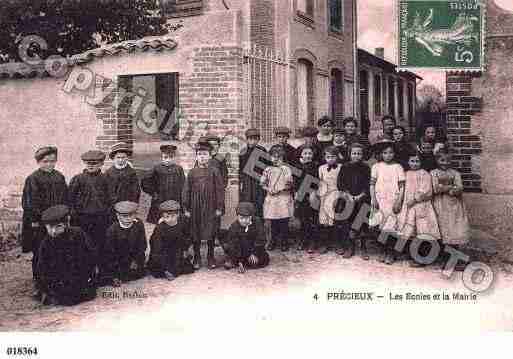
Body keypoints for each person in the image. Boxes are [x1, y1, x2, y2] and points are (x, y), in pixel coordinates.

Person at [21, 146, 68, 290]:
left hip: (58, 221)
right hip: (40, 223)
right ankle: (39, 281)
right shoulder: (33, 179)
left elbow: (65, 198)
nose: (49, 164)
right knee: (40, 250)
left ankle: (56, 278)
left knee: (58, 249)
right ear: (39, 162)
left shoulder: (59, 177)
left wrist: (64, 216)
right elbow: (29, 203)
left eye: (52, 161)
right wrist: (37, 220)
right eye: (45, 161)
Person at [37, 205, 97, 306]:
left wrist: (89, 277)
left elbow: (91, 256)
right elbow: (42, 269)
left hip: (80, 280)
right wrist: (48, 289)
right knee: (63, 299)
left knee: (84, 295)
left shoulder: (78, 234)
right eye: (49, 227)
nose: (53, 231)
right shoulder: (46, 243)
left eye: (58, 227)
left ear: (66, 224)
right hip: (59, 284)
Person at [182, 141, 225, 270]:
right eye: (199, 154)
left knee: (211, 230)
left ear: (210, 156)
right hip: (195, 207)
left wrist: (219, 207)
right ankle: (197, 256)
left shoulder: (215, 171)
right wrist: (186, 208)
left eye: (205, 154)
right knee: (196, 231)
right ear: (196, 157)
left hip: (211, 206)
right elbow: (186, 191)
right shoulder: (192, 172)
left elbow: (220, 190)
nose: (202, 157)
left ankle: (211, 256)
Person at [68, 150, 111, 275]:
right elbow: (70, 198)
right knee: (83, 245)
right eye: (88, 163)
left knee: (101, 245)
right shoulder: (78, 179)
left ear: (101, 164)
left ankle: (102, 273)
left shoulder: (106, 179)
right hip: (82, 219)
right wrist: (73, 214)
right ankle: (85, 272)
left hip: (100, 218)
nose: (91, 165)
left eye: (94, 163)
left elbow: (111, 198)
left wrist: (107, 212)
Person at [397, 150, 441, 267]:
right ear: (408, 162)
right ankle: (411, 254)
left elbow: (426, 191)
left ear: (421, 162)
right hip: (409, 207)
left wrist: (415, 199)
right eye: (412, 161)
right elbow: (402, 189)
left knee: (423, 231)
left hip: (421, 206)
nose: (414, 163)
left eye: (417, 161)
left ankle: (423, 257)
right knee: (410, 230)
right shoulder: (406, 174)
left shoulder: (425, 174)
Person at [431, 151, 470, 271]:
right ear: (437, 160)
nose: (445, 163)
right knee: (444, 230)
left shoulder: (455, 173)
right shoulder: (433, 173)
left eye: (447, 160)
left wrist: (448, 189)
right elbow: (436, 189)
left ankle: (456, 259)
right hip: (440, 204)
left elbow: (459, 188)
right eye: (442, 160)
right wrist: (450, 188)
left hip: (454, 206)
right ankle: (447, 259)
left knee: (455, 230)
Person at [370, 141, 405, 264]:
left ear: (394, 154)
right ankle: (383, 250)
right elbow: (372, 185)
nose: (388, 155)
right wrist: (373, 199)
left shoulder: (398, 167)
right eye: (385, 153)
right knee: (380, 225)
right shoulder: (376, 167)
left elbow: (401, 186)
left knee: (391, 226)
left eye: (390, 152)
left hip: (392, 200)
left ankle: (391, 252)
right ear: (381, 154)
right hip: (380, 199)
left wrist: (399, 201)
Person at [337, 143, 371, 259]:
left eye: (359, 153)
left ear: (362, 155)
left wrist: (361, 195)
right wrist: (348, 195)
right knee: (348, 223)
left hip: (363, 199)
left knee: (361, 223)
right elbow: (340, 183)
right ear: (350, 154)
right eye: (354, 153)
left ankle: (363, 247)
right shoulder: (345, 167)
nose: (356, 156)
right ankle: (350, 246)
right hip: (348, 199)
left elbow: (368, 184)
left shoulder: (366, 167)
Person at [103, 201, 147, 287]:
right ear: (118, 216)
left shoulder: (139, 224)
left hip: (133, 259)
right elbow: (109, 253)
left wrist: (136, 260)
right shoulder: (112, 230)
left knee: (139, 273)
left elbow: (142, 244)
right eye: (124, 216)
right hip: (118, 260)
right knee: (116, 275)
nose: (128, 219)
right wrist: (114, 274)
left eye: (131, 215)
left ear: (135, 215)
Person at [147, 200, 194, 281]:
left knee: (188, 268)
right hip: (163, 253)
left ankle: (173, 269)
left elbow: (187, 237)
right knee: (160, 269)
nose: (170, 220)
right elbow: (156, 248)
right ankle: (166, 271)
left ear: (178, 215)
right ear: (162, 217)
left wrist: (186, 249)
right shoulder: (159, 228)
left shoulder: (182, 223)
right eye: (166, 217)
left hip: (177, 251)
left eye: (173, 216)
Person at [261, 145, 294, 252]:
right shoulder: (268, 169)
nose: (276, 159)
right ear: (270, 157)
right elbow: (262, 183)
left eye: (279, 157)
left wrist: (280, 190)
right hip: (272, 198)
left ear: (283, 158)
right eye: (274, 157)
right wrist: (268, 189)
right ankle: (273, 241)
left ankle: (284, 241)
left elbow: (289, 184)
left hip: (283, 198)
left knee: (284, 221)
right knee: (273, 222)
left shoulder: (286, 169)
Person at [141, 144, 185, 224]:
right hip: (161, 198)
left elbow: (183, 184)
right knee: (160, 220)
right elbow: (146, 181)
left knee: (175, 219)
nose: (168, 160)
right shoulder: (157, 168)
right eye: (165, 157)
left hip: (174, 197)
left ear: (174, 157)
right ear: (162, 157)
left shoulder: (179, 169)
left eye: (171, 157)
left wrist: (181, 196)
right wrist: (153, 193)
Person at [222, 202, 270, 273]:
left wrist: (254, 253)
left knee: (259, 260)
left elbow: (261, 239)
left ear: (251, 217)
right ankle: (236, 261)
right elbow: (233, 243)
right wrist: (238, 257)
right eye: (241, 218)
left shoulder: (257, 223)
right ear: (237, 217)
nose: (244, 221)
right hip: (240, 250)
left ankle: (242, 263)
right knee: (229, 246)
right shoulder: (234, 226)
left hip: (253, 248)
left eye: (247, 218)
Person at [104, 142, 141, 224]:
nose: (121, 160)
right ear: (114, 158)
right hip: (112, 207)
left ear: (127, 158)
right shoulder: (109, 173)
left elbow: (136, 191)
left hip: (127, 205)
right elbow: (105, 191)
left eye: (123, 157)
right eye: (118, 157)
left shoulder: (131, 172)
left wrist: (133, 205)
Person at [317, 146, 343, 254]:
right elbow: (320, 182)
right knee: (325, 221)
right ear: (324, 158)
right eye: (328, 157)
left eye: (333, 157)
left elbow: (342, 182)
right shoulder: (321, 168)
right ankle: (324, 243)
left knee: (336, 220)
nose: (330, 159)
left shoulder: (341, 167)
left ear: (337, 157)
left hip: (336, 194)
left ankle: (337, 244)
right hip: (325, 195)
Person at [294, 146, 319, 252]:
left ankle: (312, 242)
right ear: (301, 155)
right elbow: (295, 181)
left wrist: (314, 192)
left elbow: (318, 181)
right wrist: (296, 193)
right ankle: (302, 240)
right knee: (303, 219)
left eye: (310, 153)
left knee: (312, 219)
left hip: (313, 195)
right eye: (305, 153)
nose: (308, 156)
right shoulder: (297, 167)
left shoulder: (316, 166)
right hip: (301, 195)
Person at [239, 128, 267, 218]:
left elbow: (267, 166)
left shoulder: (262, 150)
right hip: (247, 182)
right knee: (247, 203)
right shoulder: (243, 152)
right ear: (247, 140)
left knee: (259, 203)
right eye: (250, 139)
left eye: (255, 139)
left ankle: (259, 225)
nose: (253, 141)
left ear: (258, 140)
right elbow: (241, 168)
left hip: (258, 181)